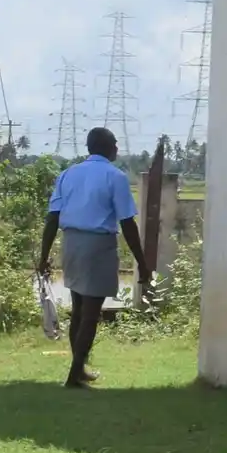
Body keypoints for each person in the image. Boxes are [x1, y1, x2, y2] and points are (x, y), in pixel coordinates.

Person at [34, 128, 155, 389]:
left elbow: (52, 218)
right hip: (97, 245)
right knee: (90, 314)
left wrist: (44, 256)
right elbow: (127, 223)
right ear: (108, 147)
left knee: (79, 309)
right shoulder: (115, 177)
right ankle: (74, 375)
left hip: (72, 244)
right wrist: (142, 263)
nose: (117, 149)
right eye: (115, 144)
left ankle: (78, 368)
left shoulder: (68, 174)